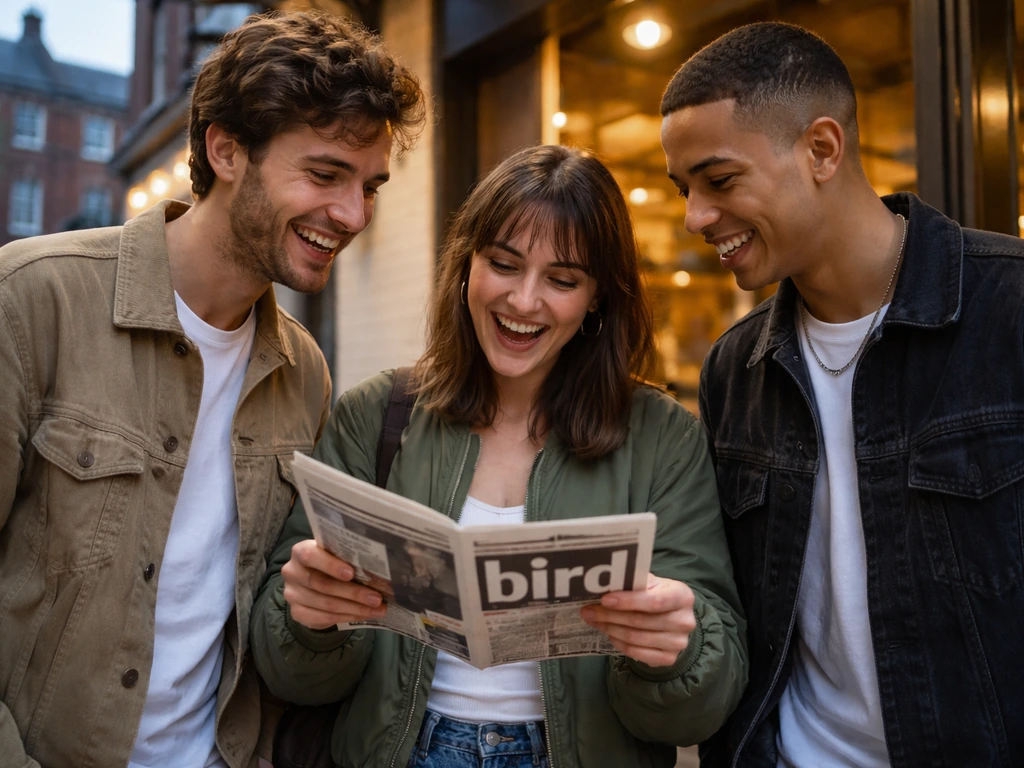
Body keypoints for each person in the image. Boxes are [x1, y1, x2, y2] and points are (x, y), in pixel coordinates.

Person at [0, 11, 424, 768]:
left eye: (370, 186)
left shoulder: (305, 370)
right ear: (225, 149)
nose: (354, 215)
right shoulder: (34, 299)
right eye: (325, 174)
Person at [249, 144, 748, 768]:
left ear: (597, 297)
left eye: (562, 280)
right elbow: (290, 674)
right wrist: (308, 620)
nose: (522, 301)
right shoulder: (374, 414)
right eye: (503, 265)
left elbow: (705, 702)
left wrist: (679, 646)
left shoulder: (663, 439)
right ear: (467, 265)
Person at [660, 21, 1024, 768]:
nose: (695, 217)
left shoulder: (1010, 308)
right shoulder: (735, 368)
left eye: (720, 180)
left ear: (822, 149)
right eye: (685, 189)